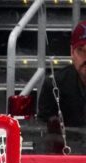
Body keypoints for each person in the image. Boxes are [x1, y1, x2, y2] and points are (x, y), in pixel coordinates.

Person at [37, 20, 86, 152]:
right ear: (72, 52)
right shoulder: (54, 85)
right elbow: (43, 135)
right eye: (81, 50)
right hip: (67, 158)